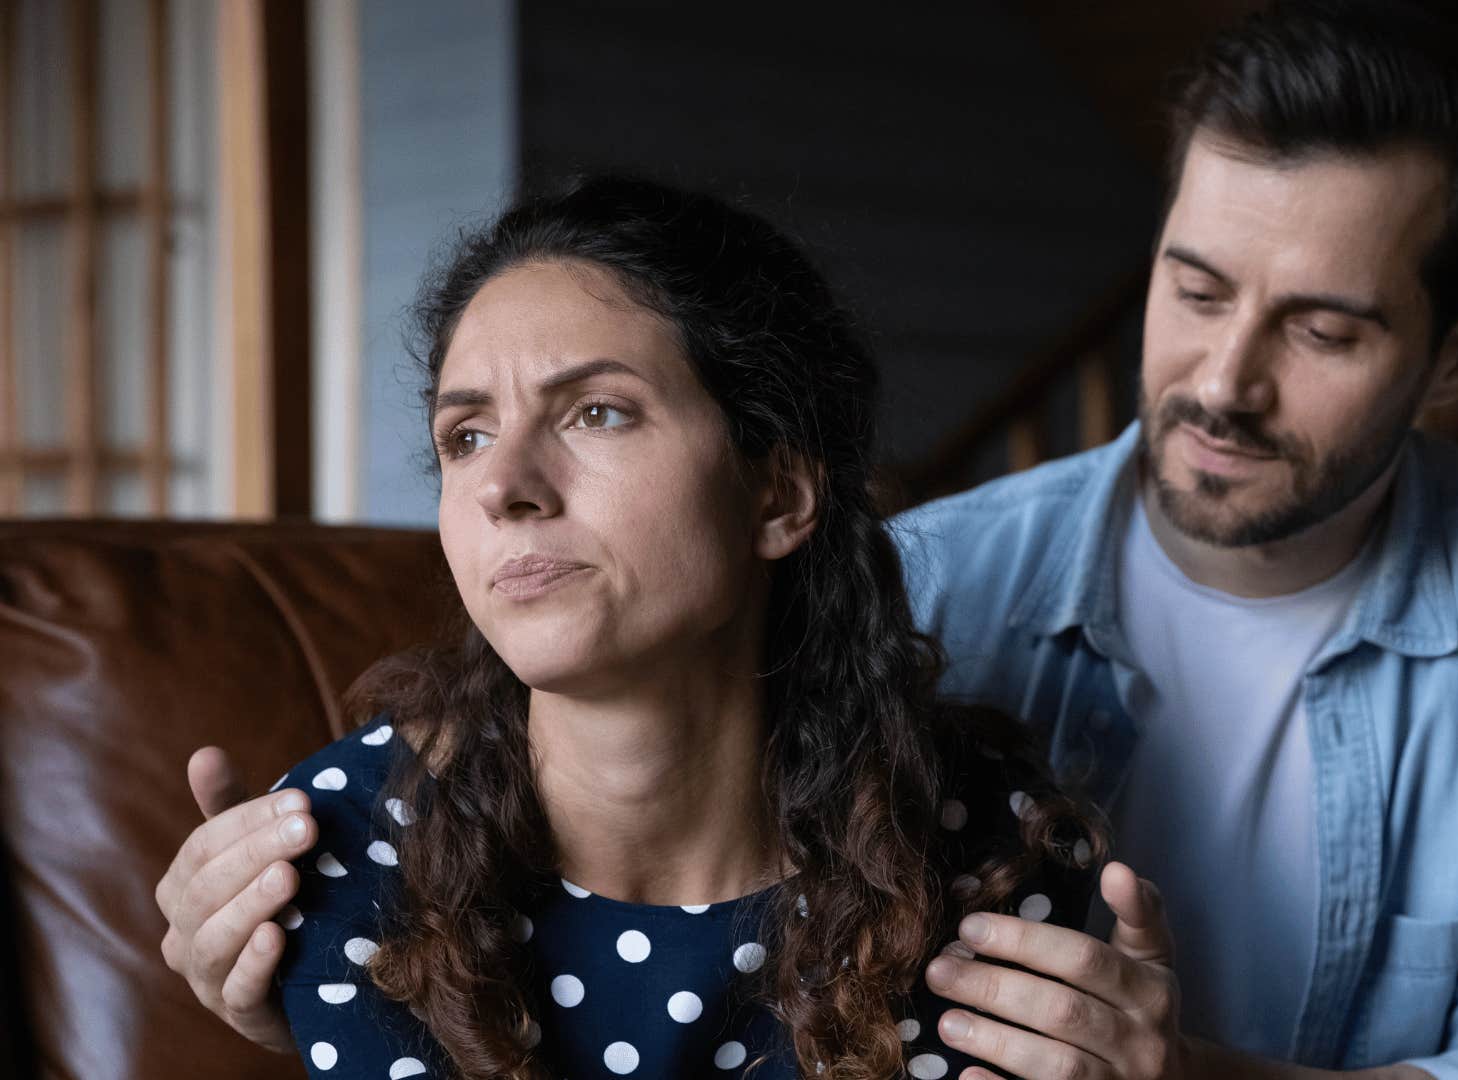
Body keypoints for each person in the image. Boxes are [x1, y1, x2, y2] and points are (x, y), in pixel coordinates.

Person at [158, 2, 1458, 1077]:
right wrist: (309, 975)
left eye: (1322, 328)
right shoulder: (933, 585)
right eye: (1193, 288)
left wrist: (1185, 1076)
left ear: (1454, 358)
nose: (1226, 381)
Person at [158, 176, 1111, 1079]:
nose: (501, 488)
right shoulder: (359, 847)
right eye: (466, 436)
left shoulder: (985, 849)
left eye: (597, 413)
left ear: (777, 494)